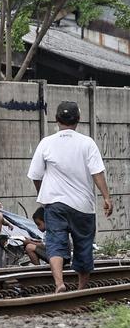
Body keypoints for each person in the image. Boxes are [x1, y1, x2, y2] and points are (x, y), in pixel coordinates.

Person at [28, 100, 112, 293]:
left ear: (56, 119)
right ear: (79, 119)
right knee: (83, 245)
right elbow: (97, 172)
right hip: (83, 206)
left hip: (55, 204)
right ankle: (81, 289)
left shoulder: (46, 143)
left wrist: (44, 194)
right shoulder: (87, 143)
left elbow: (35, 175)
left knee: (55, 242)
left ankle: (59, 284)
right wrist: (106, 197)